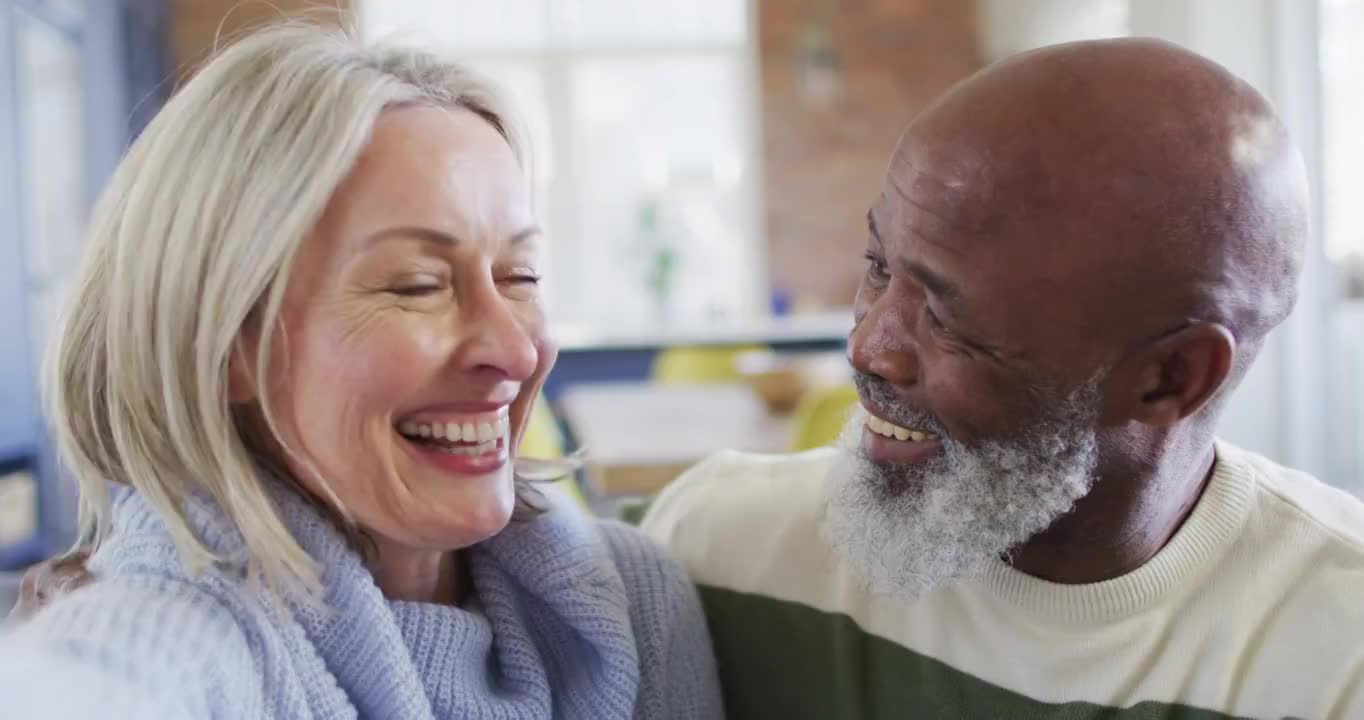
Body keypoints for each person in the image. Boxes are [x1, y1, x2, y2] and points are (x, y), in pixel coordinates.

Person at [0, 24, 722, 719]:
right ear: (224, 346)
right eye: (415, 284)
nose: (515, 348)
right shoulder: (180, 634)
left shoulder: (633, 600)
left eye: (519, 275)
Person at [641, 38, 1364, 719]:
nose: (867, 348)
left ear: (1171, 377)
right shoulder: (717, 553)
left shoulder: (1338, 659)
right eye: (877, 268)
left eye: (948, 316)